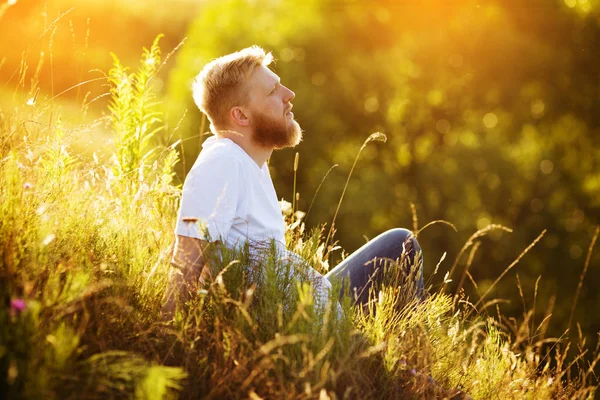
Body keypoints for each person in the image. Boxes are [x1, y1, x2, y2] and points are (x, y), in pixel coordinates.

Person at [161, 46, 424, 319]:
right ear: (241, 116)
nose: (289, 95)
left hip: (315, 309)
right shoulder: (222, 161)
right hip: (305, 327)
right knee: (401, 244)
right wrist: (165, 345)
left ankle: (406, 357)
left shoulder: (250, 163)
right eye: (273, 91)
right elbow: (184, 266)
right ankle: (396, 359)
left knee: (400, 246)